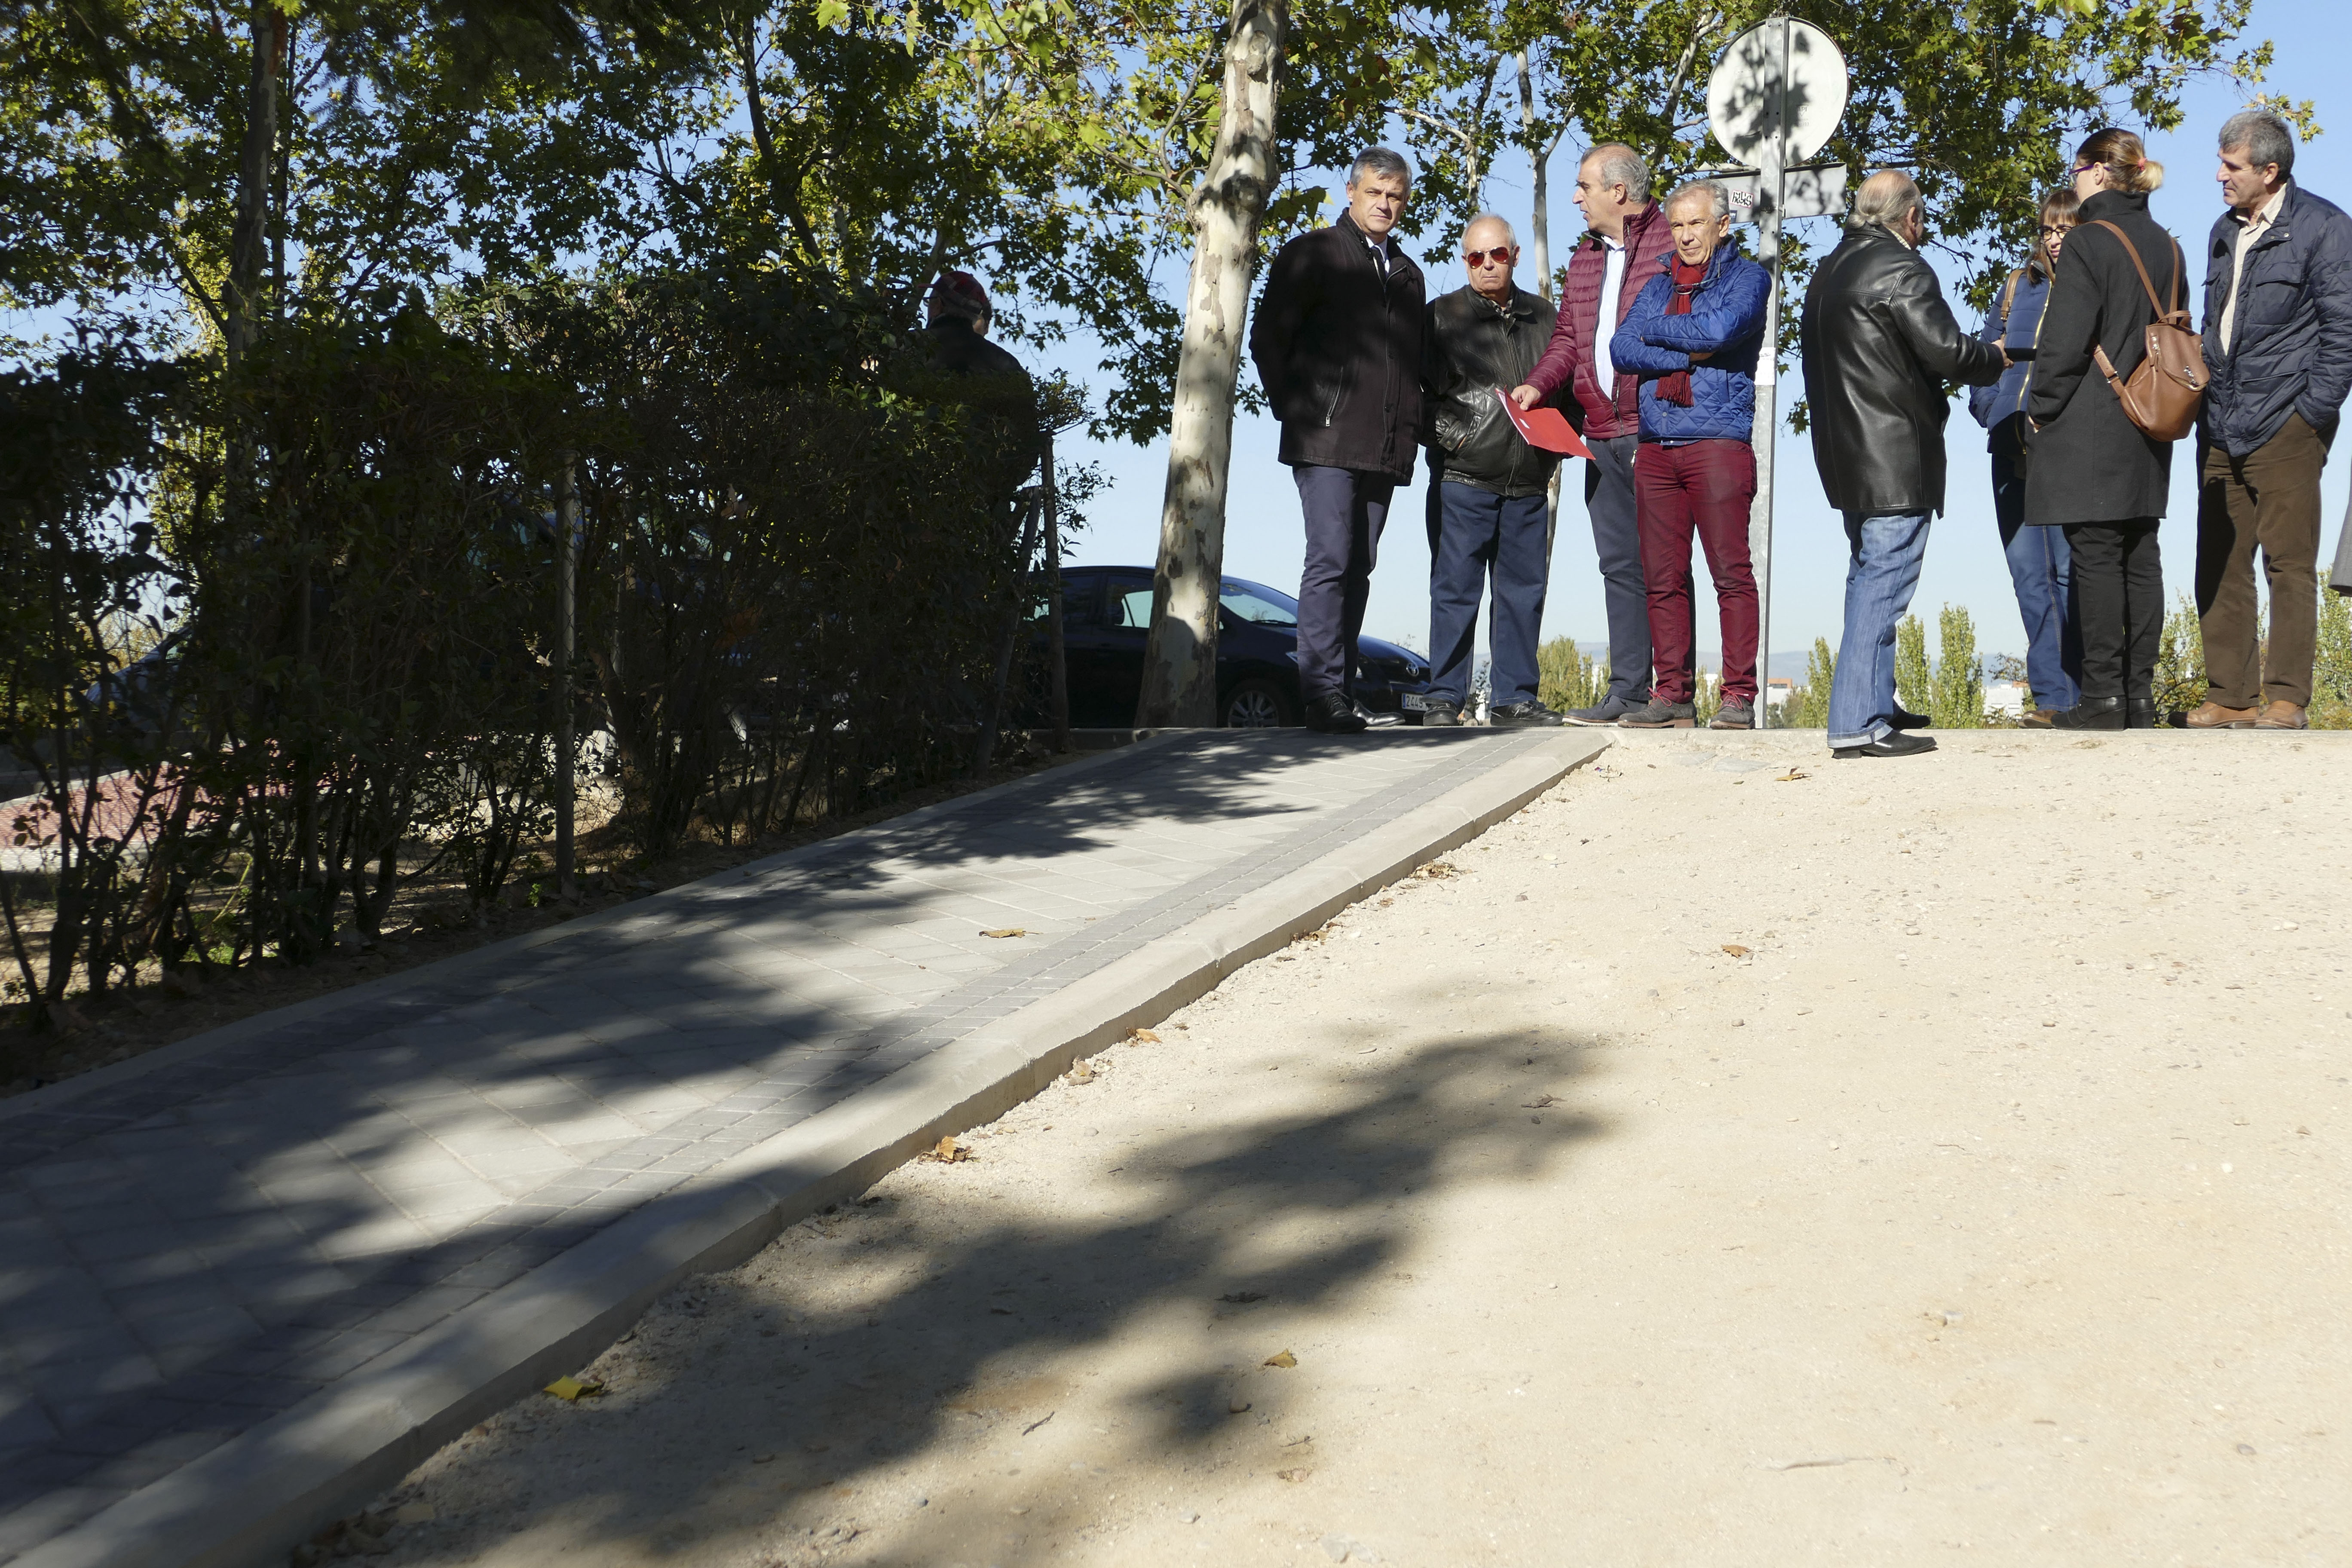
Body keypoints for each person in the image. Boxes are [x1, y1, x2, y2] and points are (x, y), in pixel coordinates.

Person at [1801, 170, 2005, 759]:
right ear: (1910, 216)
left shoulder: (1828, 269)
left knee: (1866, 577)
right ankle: (1857, 722)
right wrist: (1997, 356)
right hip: (1893, 454)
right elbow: (1949, 352)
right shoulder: (1902, 269)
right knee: (1883, 586)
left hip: (1845, 454)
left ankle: (1876, 702)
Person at [1250, 147, 1427, 734]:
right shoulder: (1314, 253)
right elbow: (1268, 338)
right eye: (1375, 192)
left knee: (1359, 566)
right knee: (1329, 557)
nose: (1385, 204)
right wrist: (1300, 409)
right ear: (1351, 192)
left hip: (1384, 446)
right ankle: (1321, 693)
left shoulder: (1408, 275)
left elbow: (1413, 364)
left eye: (1395, 195)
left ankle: (1342, 692)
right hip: (1324, 439)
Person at [2191, 109, 2352, 730]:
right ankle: (2231, 695)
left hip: (2288, 423)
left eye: (2231, 166)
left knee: (2288, 563)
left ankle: (2287, 698)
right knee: (2220, 561)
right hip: (2220, 420)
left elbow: (2343, 332)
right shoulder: (2222, 231)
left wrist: (2311, 413)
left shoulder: (2325, 228)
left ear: (2270, 170)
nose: (2220, 176)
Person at [1508, 144, 1677, 725]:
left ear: (1619, 192)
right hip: (1601, 434)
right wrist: (1537, 386)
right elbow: (1567, 340)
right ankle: (1628, 692)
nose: (1576, 197)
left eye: (1584, 186)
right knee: (1620, 567)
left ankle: (1674, 694)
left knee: (1666, 567)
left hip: (1657, 430)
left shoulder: (1671, 243)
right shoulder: (1585, 256)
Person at [2026, 128, 2182, 730]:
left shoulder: (2090, 240)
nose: (2073, 179)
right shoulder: (2168, 245)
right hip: (2152, 415)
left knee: (2094, 555)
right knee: (2141, 554)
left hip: (2093, 416)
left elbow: (2065, 340)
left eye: (2076, 169)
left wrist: (2041, 405)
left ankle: (2102, 699)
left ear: (2095, 171)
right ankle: (2138, 697)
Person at [1602, 179, 1769, 730]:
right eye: (1677, 225)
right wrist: (1683, 350)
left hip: (1717, 442)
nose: (1686, 235)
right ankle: (1672, 693)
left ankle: (1738, 696)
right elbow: (1621, 348)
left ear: (1722, 225)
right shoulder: (1658, 285)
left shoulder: (1748, 278)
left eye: (1696, 223)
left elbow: (1720, 330)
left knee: (1731, 574)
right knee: (1663, 578)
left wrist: (1656, 335)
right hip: (1656, 447)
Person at [1420, 214, 1564, 727]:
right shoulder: (1441, 316)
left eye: (1497, 255)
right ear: (1465, 261)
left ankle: (1514, 698)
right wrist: (1454, 438)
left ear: (1515, 256)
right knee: (1455, 591)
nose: (1486, 265)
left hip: (1528, 483)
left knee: (1523, 594)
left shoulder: (1546, 318)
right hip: (1463, 479)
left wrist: (1558, 444)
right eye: (1476, 257)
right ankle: (1444, 698)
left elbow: (1567, 385)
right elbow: (1413, 394)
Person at [1968, 188, 2085, 725]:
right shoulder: (2018, 285)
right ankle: (2052, 697)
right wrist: (1989, 407)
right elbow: (1986, 354)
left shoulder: (2090, 286)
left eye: (2066, 230)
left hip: (2065, 448)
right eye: (2048, 230)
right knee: (2028, 575)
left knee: (2069, 573)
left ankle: (2081, 694)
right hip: (2009, 442)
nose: (2055, 240)